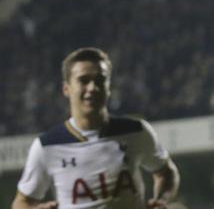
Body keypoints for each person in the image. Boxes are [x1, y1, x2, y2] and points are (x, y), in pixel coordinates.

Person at [12, 47, 180, 209]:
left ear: (109, 87)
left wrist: (161, 200)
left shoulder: (136, 131)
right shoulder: (46, 146)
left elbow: (166, 172)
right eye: (83, 80)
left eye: (100, 80)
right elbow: (21, 202)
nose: (92, 88)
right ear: (66, 88)